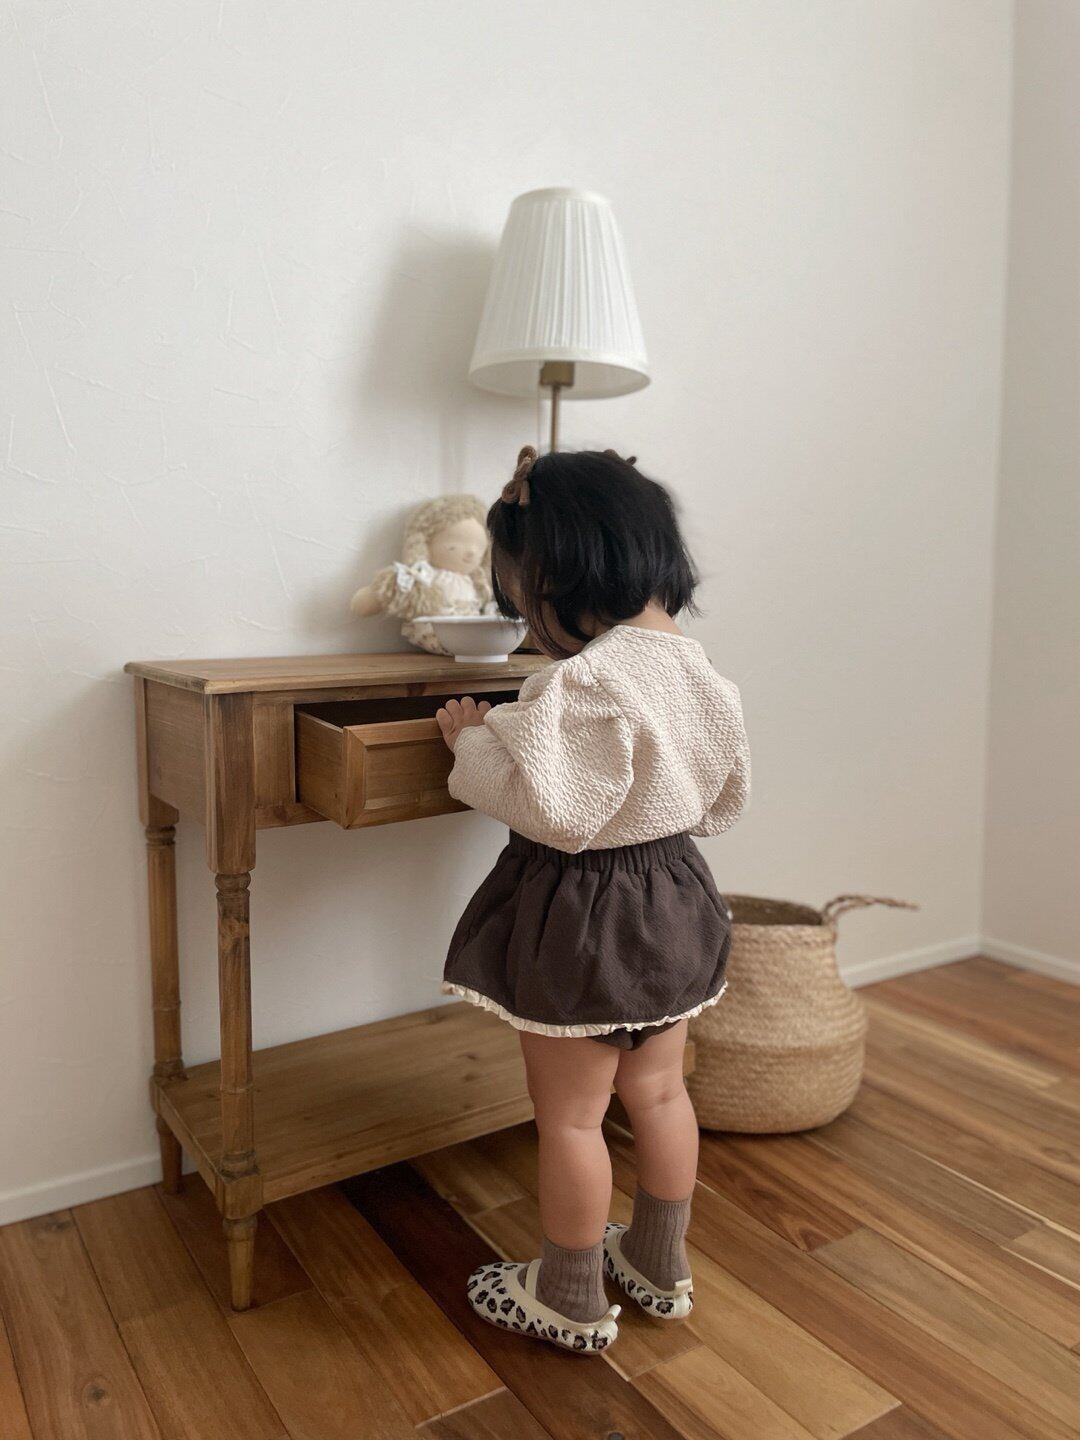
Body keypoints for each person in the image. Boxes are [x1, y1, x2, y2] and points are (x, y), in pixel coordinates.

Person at [436, 444, 750, 1354]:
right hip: (677, 899)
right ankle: (659, 1262)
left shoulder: (579, 682)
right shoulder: (701, 672)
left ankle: (568, 1296)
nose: (529, 627)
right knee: (660, 1093)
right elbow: (723, 801)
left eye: (522, 601)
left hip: (588, 921)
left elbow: (556, 809)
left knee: (573, 1117)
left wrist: (472, 745)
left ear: (559, 577)